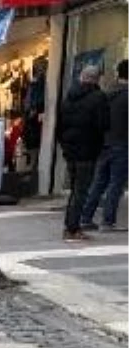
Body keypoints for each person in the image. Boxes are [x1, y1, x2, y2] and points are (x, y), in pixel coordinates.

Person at [58, 65, 110, 241]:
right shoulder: (98, 97)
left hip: (71, 151)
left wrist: (65, 146)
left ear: (81, 77)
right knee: (81, 191)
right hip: (87, 151)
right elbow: (103, 124)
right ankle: (72, 228)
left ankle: (70, 226)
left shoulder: (68, 98)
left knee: (75, 189)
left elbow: (60, 126)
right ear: (97, 79)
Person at [81, 59, 129, 232]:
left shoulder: (108, 94)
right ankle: (108, 221)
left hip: (105, 144)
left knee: (99, 183)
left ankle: (86, 218)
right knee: (116, 184)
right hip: (123, 144)